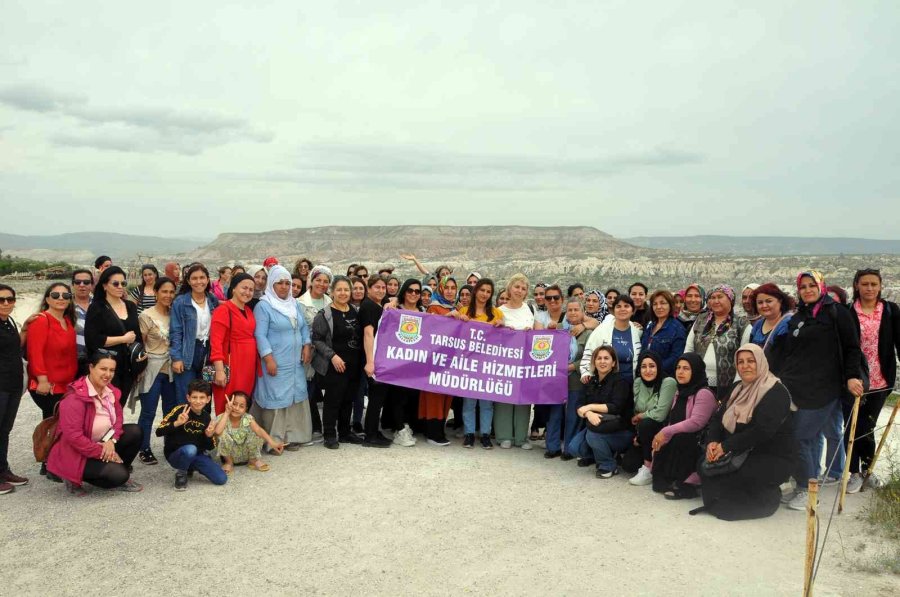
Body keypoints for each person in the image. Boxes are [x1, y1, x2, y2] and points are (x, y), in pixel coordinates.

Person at [770, 270, 863, 510]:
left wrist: (852, 376)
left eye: (812, 285)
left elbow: (852, 347)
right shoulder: (797, 316)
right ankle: (806, 483)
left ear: (821, 286)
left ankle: (806, 489)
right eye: (803, 287)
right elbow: (789, 352)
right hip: (794, 386)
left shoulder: (837, 313)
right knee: (802, 437)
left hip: (824, 387)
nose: (808, 290)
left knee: (802, 437)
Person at [695, 344, 793, 520]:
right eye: (740, 362)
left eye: (751, 361)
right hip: (738, 449)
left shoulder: (776, 392)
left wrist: (725, 446)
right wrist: (712, 441)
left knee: (734, 477)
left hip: (768, 454)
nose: (745, 366)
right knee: (705, 464)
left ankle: (768, 499)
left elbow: (762, 432)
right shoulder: (737, 388)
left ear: (761, 362)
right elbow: (718, 418)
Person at [47, 351, 144, 496]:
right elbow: (74, 438)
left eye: (112, 370)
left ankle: (113, 467)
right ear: (91, 368)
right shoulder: (74, 399)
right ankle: (72, 478)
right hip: (77, 453)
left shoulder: (111, 391)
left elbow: (118, 421)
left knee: (135, 431)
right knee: (120, 476)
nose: (108, 374)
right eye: (103, 369)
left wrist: (111, 441)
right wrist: (103, 453)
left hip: (102, 442)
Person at [844, 269, 900, 493]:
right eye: (865, 284)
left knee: (867, 425)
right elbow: (845, 347)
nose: (869, 288)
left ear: (880, 286)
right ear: (856, 285)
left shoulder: (889, 310)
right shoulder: (848, 312)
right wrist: (848, 376)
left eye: (873, 284)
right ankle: (855, 472)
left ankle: (867, 470)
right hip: (854, 378)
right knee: (851, 427)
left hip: (880, 379)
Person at [253, 265, 314, 451]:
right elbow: (260, 335)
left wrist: (306, 344)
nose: (284, 286)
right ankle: (274, 439)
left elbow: (303, 326)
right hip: (276, 361)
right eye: (280, 283)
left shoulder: (294, 304)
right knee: (277, 396)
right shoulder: (264, 306)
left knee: (295, 396)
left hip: (295, 361)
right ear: (272, 284)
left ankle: (293, 436)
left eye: (287, 283)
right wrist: (268, 358)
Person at [650, 353, 717, 499]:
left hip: (699, 442)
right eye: (678, 368)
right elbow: (673, 419)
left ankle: (687, 483)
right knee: (664, 437)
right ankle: (669, 478)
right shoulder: (680, 391)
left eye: (686, 368)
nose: (680, 372)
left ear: (696, 370)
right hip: (681, 436)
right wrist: (664, 434)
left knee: (681, 438)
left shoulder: (703, 393)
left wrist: (666, 431)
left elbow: (696, 423)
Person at [312, 276, 364, 449]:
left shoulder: (356, 312)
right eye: (339, 290)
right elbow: (317, 340)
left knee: (348, 399)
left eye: (346, 290)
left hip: (353, 365)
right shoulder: (324, 315)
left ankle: (344, 432)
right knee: (333, 400)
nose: (343, 293)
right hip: (335, 365)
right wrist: (332, 356)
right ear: (332, 292)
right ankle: (329, 434)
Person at [451, 278, 504, 449]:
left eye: (488, 291)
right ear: (476, 291)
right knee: (469, 402)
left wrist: (503, 325)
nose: (485, 294)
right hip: (469, 364)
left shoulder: (496, 313)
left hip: (489, 365)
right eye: (482, 290)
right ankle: (469, 434)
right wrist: (458, 318)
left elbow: (506, 338)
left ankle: (485, 434)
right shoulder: (465, 310)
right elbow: (453, 332)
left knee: (487, 403)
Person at [567, 346, 634, 478]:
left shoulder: (621, 382)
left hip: (620, 430)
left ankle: (608, 465)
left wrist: (589, 407)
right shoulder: (591, 381)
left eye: (606, 358)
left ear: (613, 362)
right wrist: (588, 413)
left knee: (593, 435)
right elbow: (579, 406)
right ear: (594, 362)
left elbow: (616, 407)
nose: (602, 361)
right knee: (574, 448)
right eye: (599, 358)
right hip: (596, 425)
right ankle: (599, 454)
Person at [135, 277, 177, 465]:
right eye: (164, 291)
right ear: (156, 292)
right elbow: (140, 344)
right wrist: (139, 369)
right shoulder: (146, 316)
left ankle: (169, 445)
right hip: (152, 370)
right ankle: (143, 448)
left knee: (170, 410)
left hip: (171, 371)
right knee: (148, 412)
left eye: (171, 292)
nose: (168, 295)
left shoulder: (175, 314)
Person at [84, 266, 141, 405]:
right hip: (106, 367)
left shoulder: (130, 306)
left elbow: (137, 336)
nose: (120, 287)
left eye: (123, 283)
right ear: (104, 285)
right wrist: (122, 339)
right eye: (116, 283)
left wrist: (140, 361)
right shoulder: (97, 307)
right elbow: (92, 340)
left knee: (119, 407)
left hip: (128, 367)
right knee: (105, 407)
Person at [497, 274, 542, 449]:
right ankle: (504, 436)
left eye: (523, 288)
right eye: (517, 287)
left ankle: (521, 437)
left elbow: (540, 332)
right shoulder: (500, 310)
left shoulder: (530, 309)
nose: (520, 291)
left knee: (523, 399)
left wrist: (531, 332)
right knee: (505, 398)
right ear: (509, 288)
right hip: (506, 361)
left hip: (526, 362)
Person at [156, 380, 227, 490]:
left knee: (221, 479)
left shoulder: (206, 417)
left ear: (208, 399)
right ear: (188, 398)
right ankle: (181, 474)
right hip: (176, 454)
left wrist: (209, 435)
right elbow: (159, 431)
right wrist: (177, 423)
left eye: (202, 397)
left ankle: (190, 466)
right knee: (190, 449)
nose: (198, 401)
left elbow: (210, 446)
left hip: (196, 455)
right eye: (194, 397)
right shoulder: (180, 410)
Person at [683, 284, 750, 399]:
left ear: (730, 299)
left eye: (720, 297)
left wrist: (736, 386)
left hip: (727, 386)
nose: (715, 301)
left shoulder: (742, 324)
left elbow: (744, 358)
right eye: (712, 298)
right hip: (698, 383)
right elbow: (688, 349)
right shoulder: (701, 320)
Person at [27, 283, 78, 426]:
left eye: (66, 295)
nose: (61, 298)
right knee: (54, 427)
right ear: (47, 299)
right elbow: (35, 352)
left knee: (63, 427)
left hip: (66, 385)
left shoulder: (67, 321)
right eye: (55, 295)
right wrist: (42, 380)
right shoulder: (41, 320)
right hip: (49, 386)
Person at [622, 352, 676, 486]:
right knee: (628, 465)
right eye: (643, 366)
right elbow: (635, 409)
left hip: (662, 429)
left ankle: (648, 467)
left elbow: (660, 414)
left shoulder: (668, 382)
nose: (647, 370)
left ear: (658, 367)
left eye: (652, 366)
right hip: (643, 430)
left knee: (647, 423)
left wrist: (641, 416)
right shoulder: (638, 382)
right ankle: (650, 457)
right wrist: (638, 434)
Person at [169, 263, 220, 406]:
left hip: (207, 353)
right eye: (194, 278)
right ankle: (185, 427)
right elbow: (175, 332)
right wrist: (176, 358)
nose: (199, 282)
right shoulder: (180, 302)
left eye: (202, 277)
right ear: (188, 281)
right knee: (186, 398)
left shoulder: (212, 300)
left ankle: (203, 428)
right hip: (187, 352)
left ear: (208, 279)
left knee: (205, 397)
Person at [210, 273, 259, 415]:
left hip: (248, 366)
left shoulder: (249, 311)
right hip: (231, 365)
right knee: (227, 402)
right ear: (233, 289)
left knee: (243, 402)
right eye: (244, 288)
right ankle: (223, 435)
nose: (248, 292)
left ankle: (238, 434)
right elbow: (216, 343)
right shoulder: (223, 310)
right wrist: (219, 370)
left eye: (251, 289)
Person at [386, 279, 426, 446]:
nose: (413, 294)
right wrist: (393, 301)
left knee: (412, 398)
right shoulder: (395, 309)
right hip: (398, 362)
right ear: (404, 291)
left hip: (416, 363)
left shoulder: (423, 311)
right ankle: (399, 430)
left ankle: (406, 427)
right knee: (398, 397)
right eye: (410, 290)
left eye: (417, 291)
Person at [554, 297, 591, 460]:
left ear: (582, 312)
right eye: (570, 310)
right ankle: (552, 446)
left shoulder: (589, 333)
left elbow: (588, 356)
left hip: (576, 378)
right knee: (555, 414)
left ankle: (569, 448)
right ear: (566, 312)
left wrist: (572, 366)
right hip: (556, 379)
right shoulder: (558, 329)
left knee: (572, 416)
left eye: (577, 309)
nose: (573, 312)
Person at [299, 265, 333, 438]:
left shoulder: (331, 302)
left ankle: (327, 426)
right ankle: (312, 426)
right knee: (308, 390)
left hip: (325, 353)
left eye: (326, 281)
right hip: (307, 351)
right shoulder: (300, 303)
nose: (321, 284)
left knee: (326, 390)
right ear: (311, 281)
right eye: (318, 280)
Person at [212, 392, 285, 473]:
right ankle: (229, 463)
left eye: (241, 406)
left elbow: (259, 430)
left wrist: (273, 443)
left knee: (257, 433)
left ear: (246, 409)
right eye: (234, 404)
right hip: (230, 455)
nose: (236, 408)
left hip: (246, 453)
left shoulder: (247, 418)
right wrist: (226, 412)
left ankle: (253, 460)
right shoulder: (222, 417)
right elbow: (218, 432)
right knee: (222, 434)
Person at [359, 275, 393, 448]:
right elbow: (368, 334)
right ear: (369, 288)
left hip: (380, 358)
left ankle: (373, 430)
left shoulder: (377, 305)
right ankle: (370, 435)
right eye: (377, 287)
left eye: (383, 288)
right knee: (375, 398)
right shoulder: (368, 306)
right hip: (374, 360)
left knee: (379, 398)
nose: (380, 290)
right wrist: (370, 361)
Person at [0, 284, 27, 494]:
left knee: (5, 429)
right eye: (1, 300)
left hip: (13, 384)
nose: (7, 303)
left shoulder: (8, 322)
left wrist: (26, 328)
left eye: (10, 299)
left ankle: (3, 469)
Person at [580, 296, 642, 384]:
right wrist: (586, 372)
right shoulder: (602, 329)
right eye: (618, 306)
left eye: (626, 306)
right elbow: (590, 351)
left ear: (632, 311)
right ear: (613, 310)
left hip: (631, 384)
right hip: (607, 384)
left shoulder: (637, 331)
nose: (622, 309)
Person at [641, 290, 687, 377]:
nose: (658, 307)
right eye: (655, 304)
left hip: (665, 377)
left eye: (663, 303)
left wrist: (655, 369)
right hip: (646, 375)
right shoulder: (650, 326)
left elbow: (675, 357)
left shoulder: (677, 329)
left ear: (670, 305)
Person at [748, 283, 795, 353]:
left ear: (780, 301)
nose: (764, 305)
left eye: (769, 301)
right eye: (760, 302)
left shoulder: (788, 323)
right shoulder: (758, 325)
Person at [71, 269, 94, 370]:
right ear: (73, 285)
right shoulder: (64, 306)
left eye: (86, 282)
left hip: (95, 362)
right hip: (70, 361)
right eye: (77, 282)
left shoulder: (100, 305)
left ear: (91, 285)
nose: (82, 285)